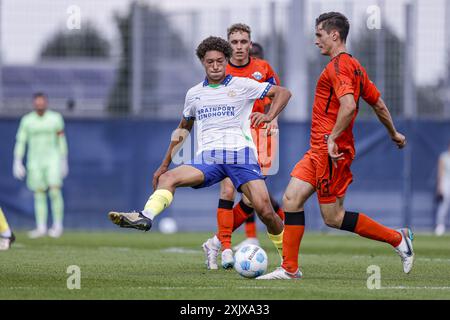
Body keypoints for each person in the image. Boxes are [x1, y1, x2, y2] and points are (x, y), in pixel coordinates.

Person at [108, 36, 292, 266]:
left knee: (265, 210)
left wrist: (268, 115)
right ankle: (145, 216)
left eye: (219, 61)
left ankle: (289, 262)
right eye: (209, 62)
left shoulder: (242, 85)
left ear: (226, 61)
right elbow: (183, 129)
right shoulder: (194, 94)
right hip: (209, 157)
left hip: (240, 154)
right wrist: (164, 164)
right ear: (202, 63)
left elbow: (283, 92)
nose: (215, 66)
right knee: (168, 178)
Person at [258, 12, 414, 280]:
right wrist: (394, 133)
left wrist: (331, 139)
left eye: (319, 34)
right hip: (319, 149)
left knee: (333, 217)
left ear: (334, 35)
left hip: (331, 152)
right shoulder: (354, 66)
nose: (315, 40)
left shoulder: (340, 67)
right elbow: (376, 103)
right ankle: (289, 269)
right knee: (291, 199)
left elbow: (350, 105)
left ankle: (397, 238)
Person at [202, 24, 285, 270]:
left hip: (260, 139)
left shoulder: (263, 68)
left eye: (243, 42)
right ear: (228, 46)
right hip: (231, 138)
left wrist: (273, 118)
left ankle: (215, 242)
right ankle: (225, 247)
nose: (239, 46)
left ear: (250, 44)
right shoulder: (220, 69)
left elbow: (277, 97)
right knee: (227, 191)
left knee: (252, 201)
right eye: (234, 42)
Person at [13, 92, 69, 239]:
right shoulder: (27, 120)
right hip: (34, 161)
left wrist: (64, 160)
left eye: (42, 102)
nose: (39, 105)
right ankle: (41, 227)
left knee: (55, 191)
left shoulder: (55, 118)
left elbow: (61, 139)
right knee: (38, 193)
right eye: (37, 103)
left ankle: (57, 225)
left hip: (52, 160)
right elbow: (21, 140)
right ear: (34, 104)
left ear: (46, 103)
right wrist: (17, 160)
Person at [435, 142, 450, 236]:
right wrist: (439, 186)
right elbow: (440, 173)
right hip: (446, 183)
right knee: (444, 205)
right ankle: (440, 226)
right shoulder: (443, 157)